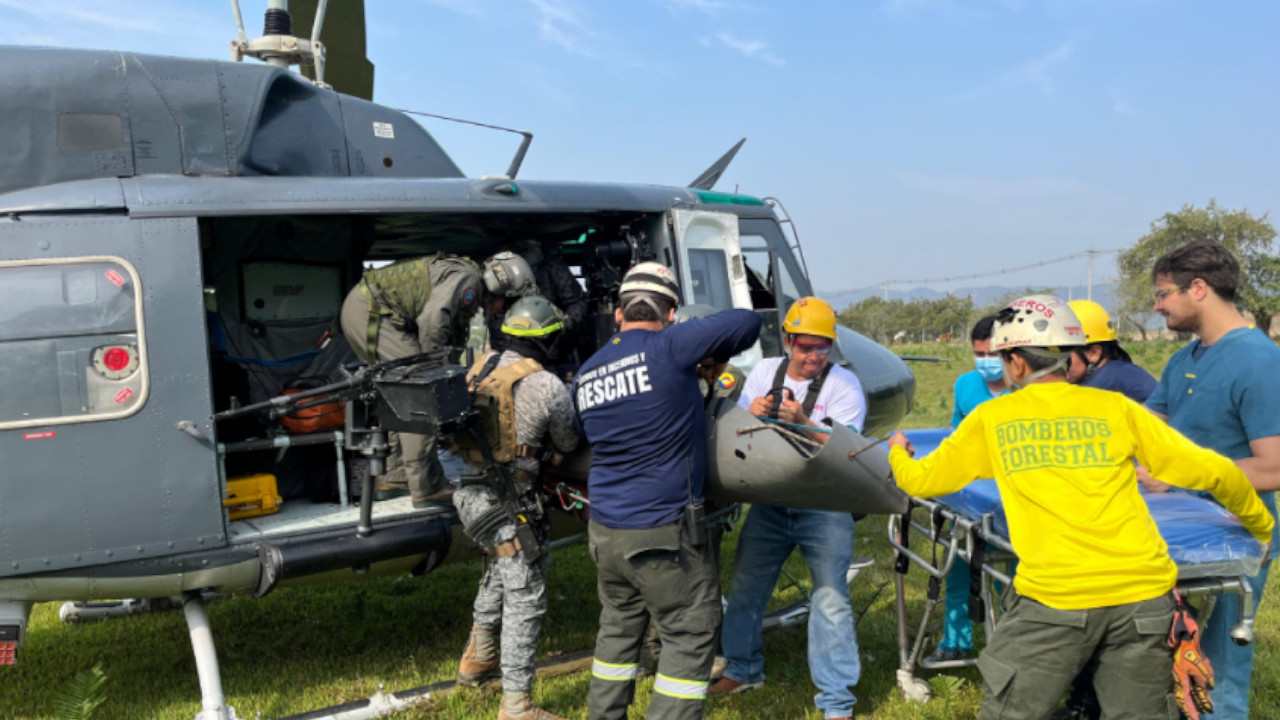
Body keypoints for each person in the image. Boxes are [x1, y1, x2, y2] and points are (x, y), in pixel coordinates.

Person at [884, 294, 1274, 720]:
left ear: (1015, 362)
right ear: (1069, 357)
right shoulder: (1116, 409)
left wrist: (900, 451)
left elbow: (921, 481)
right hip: (1143, 598)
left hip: (1054, 599)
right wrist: (1259, 526)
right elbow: (1217, 473)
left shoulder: (993, 419)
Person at [573, 262, 761, 720]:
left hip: (606, 533)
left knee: (617, 635)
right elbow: (747, 322)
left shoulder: (588, 373)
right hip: (663, 534)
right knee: (690, 633)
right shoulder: (669, 346)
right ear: (672, 312)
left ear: (618, 315)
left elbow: (581, 434)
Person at [710, 297, 867, 720]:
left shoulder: (844, 386)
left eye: (823, 347)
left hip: (825, 505)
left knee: (831, 598)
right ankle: (743, 669)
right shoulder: (764, 372)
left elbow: (848, 451)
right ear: (788, 341)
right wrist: (750, 411)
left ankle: (836, 702)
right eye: (805, 347)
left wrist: (803, 420)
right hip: (772, 502)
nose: (814, 356)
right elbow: (737, 433)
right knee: (745, 586)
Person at [1142, 240, 1280, 720]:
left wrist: (1178, 473)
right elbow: (1145, 428)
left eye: (1163, 294)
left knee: (1218, 666)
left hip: (1234, 537)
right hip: (1176, 533)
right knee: (1170, 653)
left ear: (1197, 288)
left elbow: (1274, 465)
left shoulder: (1259, 362)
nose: (1157, 306)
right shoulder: (1185, 360)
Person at [452, 296, 580, 720]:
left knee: (501, 570)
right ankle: (517, 706)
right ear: (547, 340)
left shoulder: (479, 366)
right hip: (509, 502)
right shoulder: (546, 385)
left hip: (470, 497)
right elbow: (568, 442)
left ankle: (478, 657)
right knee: (526, 597)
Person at [340, 253, 489, 507]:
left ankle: (395, 476)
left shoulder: (459, 274)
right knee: (421, 394)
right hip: (373, 314)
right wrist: (435, 372)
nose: (496, 311)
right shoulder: (468, 278)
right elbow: (432, 323)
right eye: (501, 304)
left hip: (365, 311)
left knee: (398, 392)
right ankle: (427, 486)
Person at [927, 313, 1006, 665]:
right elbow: (954, 433)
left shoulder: (1028, 389)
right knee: (960, 567)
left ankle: (1012, 648)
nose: (986, 361)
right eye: (979, 354)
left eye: (993, 354)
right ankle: (955, 642)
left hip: (1011, 497)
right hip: (969, 496)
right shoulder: (966, 385)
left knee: (1010, 575)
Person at [1065, 299, 1157, 402]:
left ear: (1094, 353)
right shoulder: (1120, 373)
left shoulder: (1104, 384)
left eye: (1063, 354)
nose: (1058, 363)